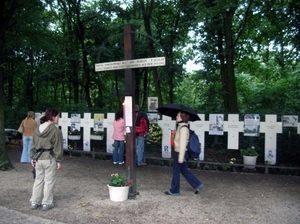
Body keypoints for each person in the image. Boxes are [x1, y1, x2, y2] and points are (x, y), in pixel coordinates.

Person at [29, 108, 64, 211]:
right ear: (53, 117)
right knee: (49, 181)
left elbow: (33, 144)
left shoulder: (37, 129)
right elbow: (58, 147)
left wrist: (32, 157)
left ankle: (34, 202)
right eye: (57, 116)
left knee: (38, 180)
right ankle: (47, 203)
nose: (58, 118)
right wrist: (58, 160)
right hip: (49, 158)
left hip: (38, 158)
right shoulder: (55, 130)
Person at [165, 111, 204, 196]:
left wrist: (180, 158)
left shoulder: (183, 129)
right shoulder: (181, 127)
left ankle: (175, 190)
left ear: (182, 117)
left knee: (176, 171)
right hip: (182, 153)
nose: (176, 116)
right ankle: (197, 184)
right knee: (183, 170)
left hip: (181, 153)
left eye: (178, 115)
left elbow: (183, 145)